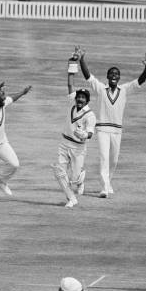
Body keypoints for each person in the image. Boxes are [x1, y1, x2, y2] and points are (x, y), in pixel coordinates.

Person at [77, 46, 146, 198]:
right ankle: (104, 188)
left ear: (119, 78)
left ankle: (108, 182)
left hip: (117, 130)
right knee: (104, 158)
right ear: (107, 76)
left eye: (116, 74)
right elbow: (88, 76)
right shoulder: (100, 89)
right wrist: (82, 59)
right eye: (111, 73)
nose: (114, 75)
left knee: (114, 160)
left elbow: (140, 81)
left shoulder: (124, 90)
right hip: (102, 130)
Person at [51, 55, 96, 208]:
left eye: (83, 98)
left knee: (74, 180)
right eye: (79, 97)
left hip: (78, 148)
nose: (80, 99)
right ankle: (71, 198)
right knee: (59, 172)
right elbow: (70, 83)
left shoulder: (90, 115)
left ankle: (80, 178)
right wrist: (72, 61)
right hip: (64, 143)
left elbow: (90, 133)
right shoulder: (72, 101)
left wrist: (85, 135)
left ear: (87, 101)